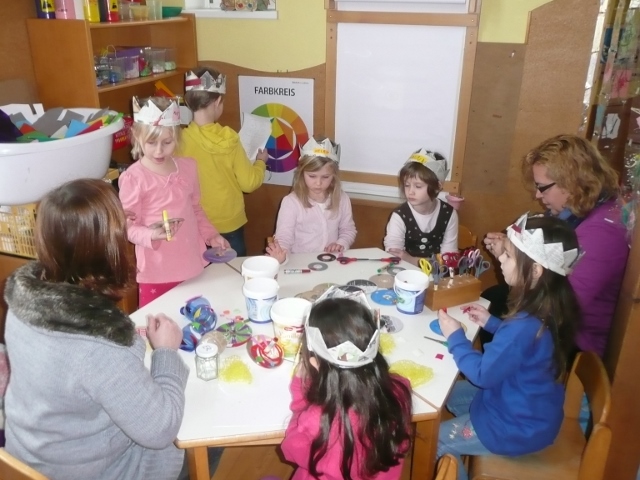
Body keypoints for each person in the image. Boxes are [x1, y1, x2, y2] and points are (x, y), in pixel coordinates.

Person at [3, 179, 188, 480]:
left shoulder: (22, 303)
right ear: (111, 247)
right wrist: (166, 352)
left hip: (25, 460)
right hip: (91, 472)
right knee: (196, 436)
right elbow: (160, 429)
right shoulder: (100, 346)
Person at [436, 214, 581, 480]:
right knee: (444, 394)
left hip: (514, 427)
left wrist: (455, 336)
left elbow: (481, 374)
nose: (500, 259)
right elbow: (525, 348)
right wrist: (491, 322)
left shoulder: (524, 325)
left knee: (436, 442)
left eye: (509, 256)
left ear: (536, 271)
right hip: (526, 409)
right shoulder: (547, 310)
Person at [482, 134, 629, 358]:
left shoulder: (602, 233)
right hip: (559, 317)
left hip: (575, 340)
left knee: (496, 305)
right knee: (494, 297)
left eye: (543, 188)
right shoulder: (578, 211)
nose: (537, 195)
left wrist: (515, 260)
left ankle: (506, 382)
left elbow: (557, 307)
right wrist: (513, 249)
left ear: (571, 182)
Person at [281, 297, 413, 480]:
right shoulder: (399, 390)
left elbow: (290, 450)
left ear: (315, 363)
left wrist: (300, 390)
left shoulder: (316, 418)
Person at [119, 96, 228, 307]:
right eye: (151, 143)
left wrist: (212, 235)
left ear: (176, 138)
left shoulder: (188, 168)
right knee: (158, 327)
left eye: (167, 143)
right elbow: (127, 225)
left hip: (191, 264)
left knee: (194, 324)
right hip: (156, 270)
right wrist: (151, 234)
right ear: (137, 137)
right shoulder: (133, 178)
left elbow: (196, 209)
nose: (159, 151)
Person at [178, 68, 268, 256]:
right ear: (218, 101)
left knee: (203, 279)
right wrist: (260, 162)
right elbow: (249, 183)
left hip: (194, 223)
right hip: (230, 223)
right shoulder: (230, 139)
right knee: (232, 275)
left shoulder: (178, 140)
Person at [266, 137, 357, 263]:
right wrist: (281, 256)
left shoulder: (342, 199)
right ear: (302, 173)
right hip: (301, 264)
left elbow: (348, 229)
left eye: (325, 177)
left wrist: (341, 243)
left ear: (334, 176)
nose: (318, 183)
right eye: (312, 176)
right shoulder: (291, 202)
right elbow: (284, 238)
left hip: (332, 262)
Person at [384, 148, 458, 267]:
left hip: (437, 278)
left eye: (418, 186)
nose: (410, 192)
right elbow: (394, 256)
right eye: (407, 185)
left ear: (437, 186)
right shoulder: (399, 215)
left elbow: (449, 260)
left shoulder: (448, 214)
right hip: (405, 275)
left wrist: (409, 258)